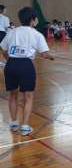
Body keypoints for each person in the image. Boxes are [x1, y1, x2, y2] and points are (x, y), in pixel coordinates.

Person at [0, 7, 54, 136]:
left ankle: (14, 123)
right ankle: (24, 126)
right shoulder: (36, 34)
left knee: (12, 95)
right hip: (26, 65)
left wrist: (9, 59)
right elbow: (44, 54)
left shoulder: (12, 32)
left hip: (11, 65)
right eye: (36, 18)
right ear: (33, 20)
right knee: (28, 97)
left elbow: (3, 49)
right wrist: (52, 57)